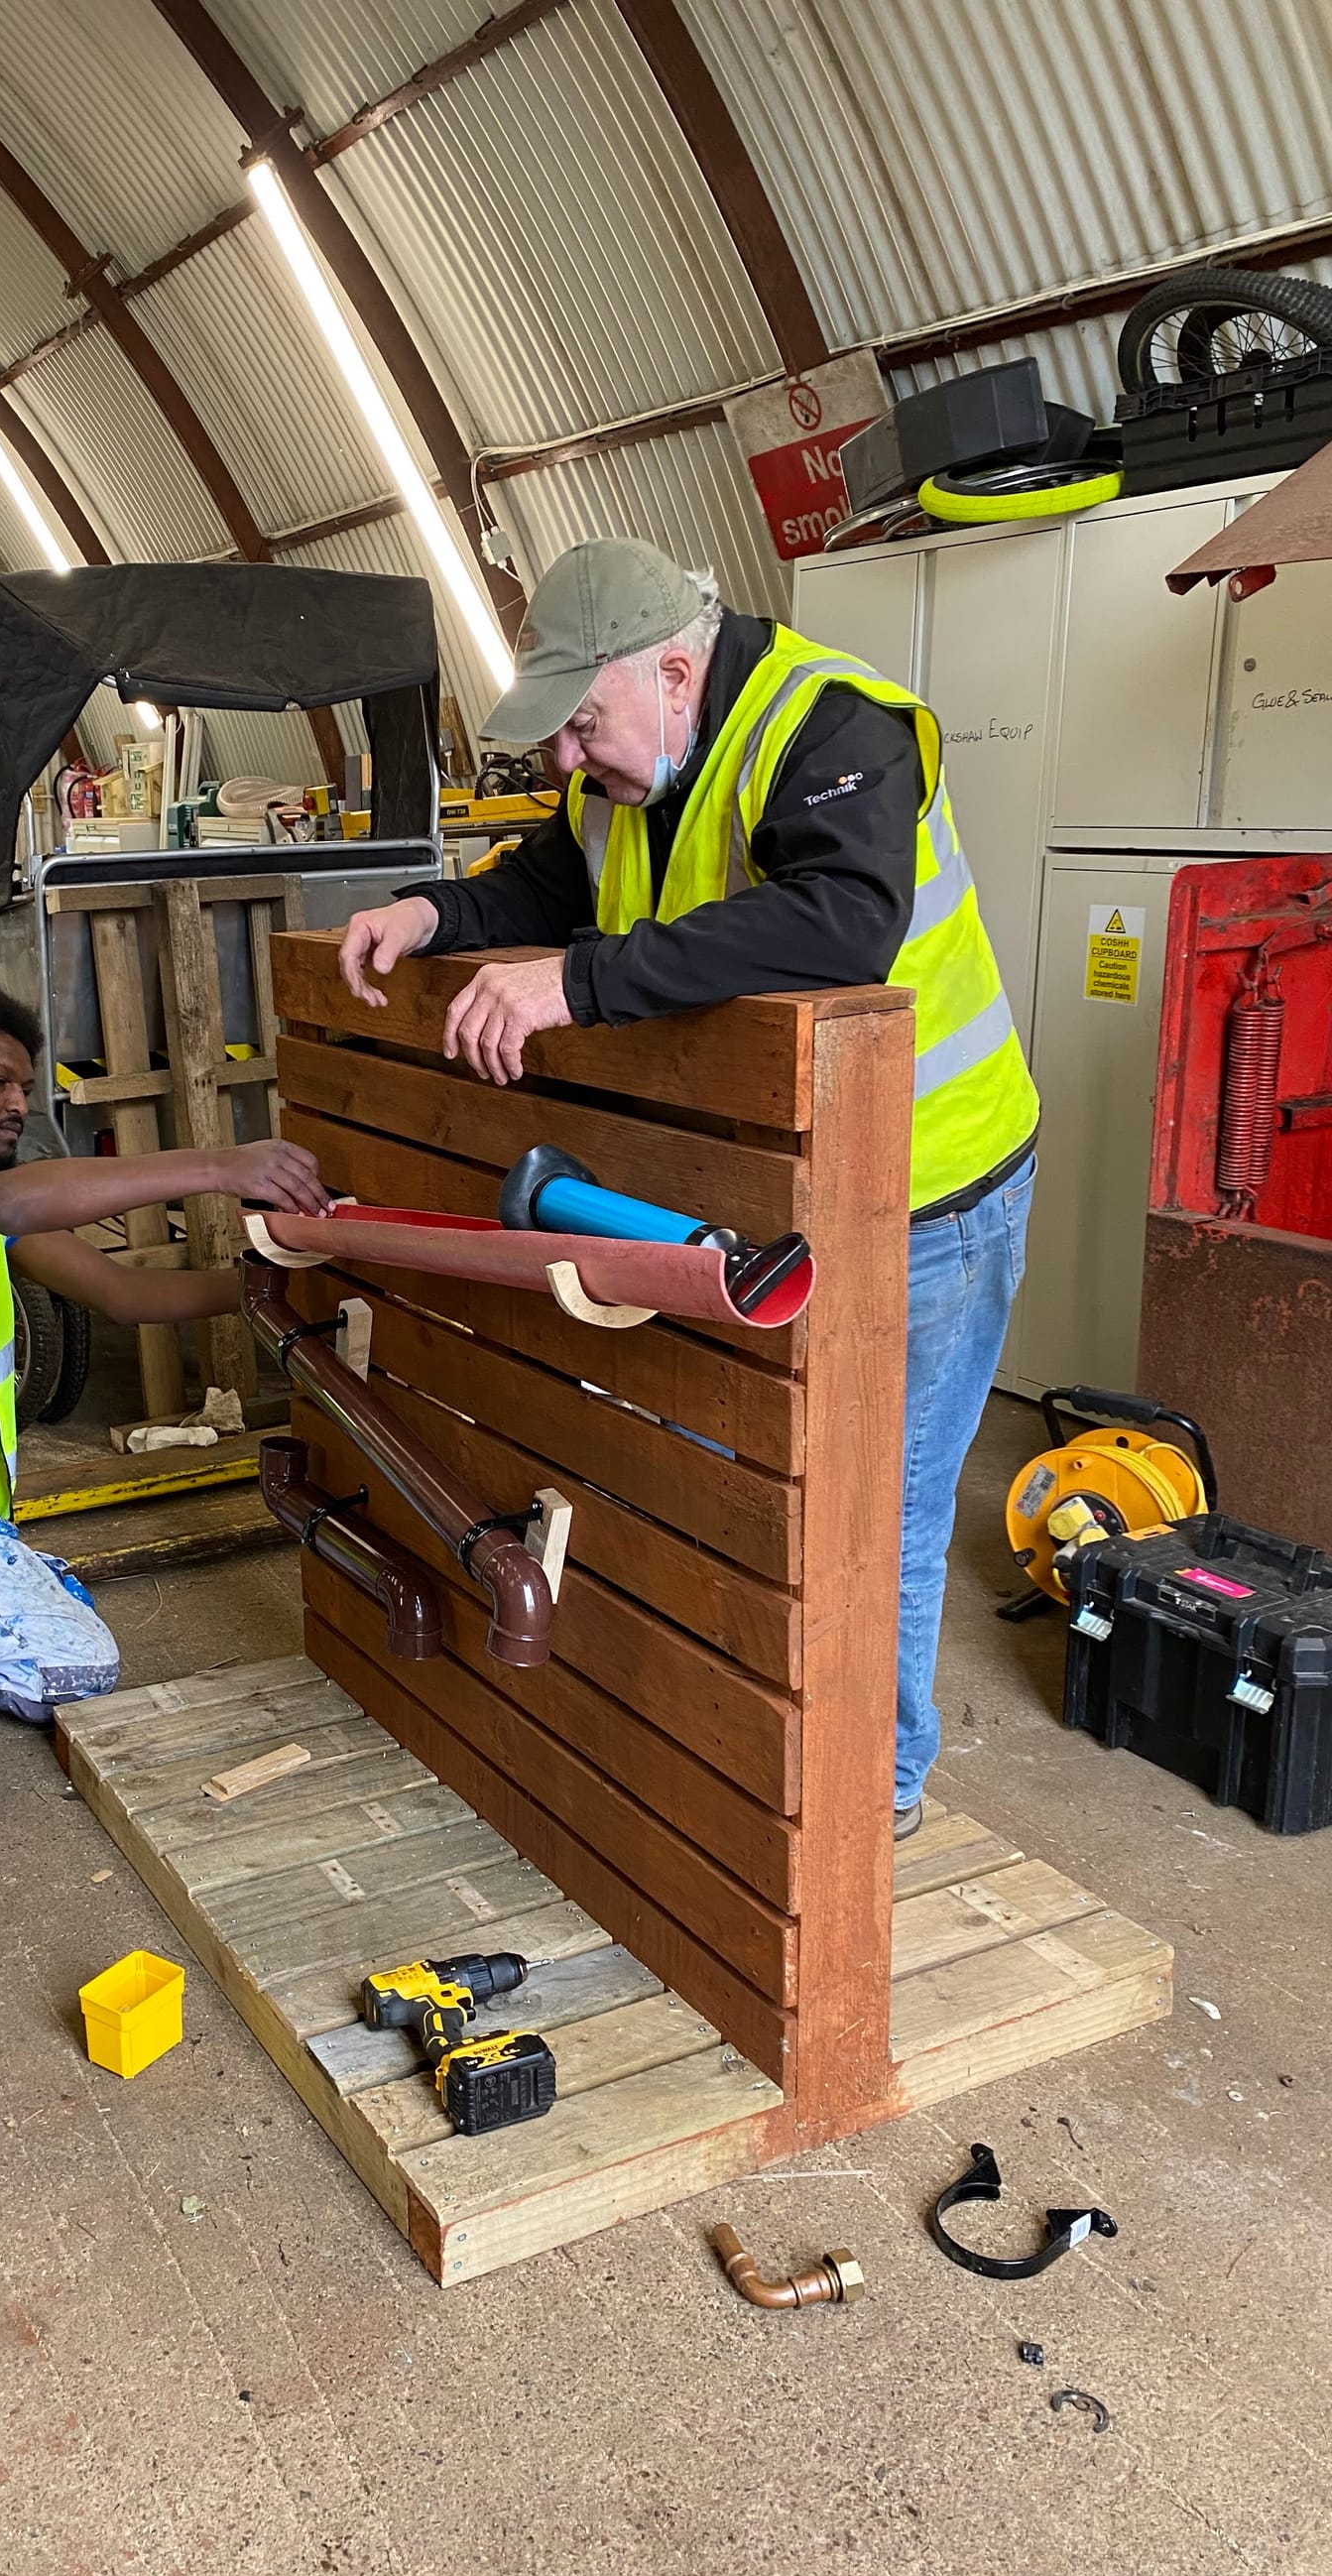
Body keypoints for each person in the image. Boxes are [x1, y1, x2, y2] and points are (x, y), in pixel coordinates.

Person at [337, 537, 1038, 1839]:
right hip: (767, 1182)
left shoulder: (831, 725)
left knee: (874, 1509)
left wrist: (577, 982)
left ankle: (866, 1799)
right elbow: (552, 879)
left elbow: (842, 921)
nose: (566, 758)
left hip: (931, 1187)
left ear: (671, 671)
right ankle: (748, 1748)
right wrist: (432, 916)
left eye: (581, 723)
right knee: (743, 1480)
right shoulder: (627, 766)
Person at [0, 981, 330, 1826]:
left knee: (79, 1667)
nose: (19, 1104)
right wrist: (220, 1165)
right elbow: (12, 1200)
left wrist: (279, 1292)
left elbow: (121, 1292)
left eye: (26, 1086)